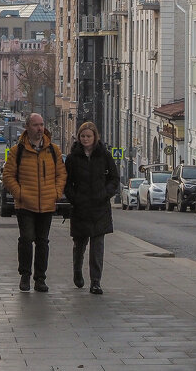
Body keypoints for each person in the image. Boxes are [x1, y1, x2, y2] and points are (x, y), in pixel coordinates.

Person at [1, 113, 65, 293]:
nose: (39, 129)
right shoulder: (17, 151)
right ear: (27, 127)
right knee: (27, 239)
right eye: (36, 125)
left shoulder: (53, 150)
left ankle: (40, 278)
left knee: (43, 241)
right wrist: (19, 193)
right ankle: (25, 276)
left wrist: (56, 192)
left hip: (47, 203)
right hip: (25, 204)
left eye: (42, 125)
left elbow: (61, 174)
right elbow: (8, 176)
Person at [63, 121, 119, 295]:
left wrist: (105, 194)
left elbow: (114, 179)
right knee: (79, 244)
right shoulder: (73, 158)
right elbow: (66, 183)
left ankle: (96, 281)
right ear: (79, 138)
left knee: (97, 247)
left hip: (99, 208)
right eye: (83, 136)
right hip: (81, 208)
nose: (86, 139)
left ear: (95, 137)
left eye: (89, 136)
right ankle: (77, 272)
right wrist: (75, 198)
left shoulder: (104, 156)